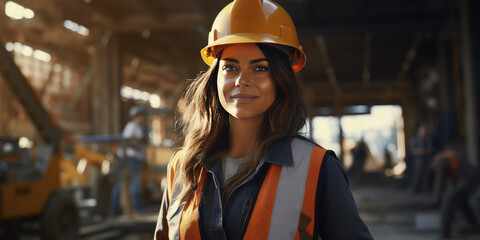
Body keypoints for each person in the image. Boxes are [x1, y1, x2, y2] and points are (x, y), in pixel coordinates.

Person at [155, 0, 373, 239]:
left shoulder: (316, 169)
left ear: (280, 80)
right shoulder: (182, 167)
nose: (241, 80)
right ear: (215, 78)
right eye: (230, 68)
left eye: (259, 69)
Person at [110, 104, 148, 215]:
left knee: (121, 183)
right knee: (134, 183)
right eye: (143, 116)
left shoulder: (137, 127)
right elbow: (126, 141)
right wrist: (138, 140)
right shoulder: (132, 126)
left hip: (130, 159)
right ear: (138, 116)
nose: (144, 119)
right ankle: (137, 209)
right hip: (130, 159)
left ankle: (114, 209)